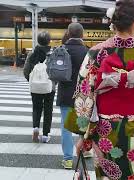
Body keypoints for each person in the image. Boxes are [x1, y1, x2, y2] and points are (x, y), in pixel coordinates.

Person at [73, 0, 134, 179]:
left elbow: (84, 97)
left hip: (105, 131)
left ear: (113, 23)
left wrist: (82, 136)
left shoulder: (95, 53)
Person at [56, 23, 89, 169]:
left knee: (66, 127)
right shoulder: (88, 52)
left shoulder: (61, 49)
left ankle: (68, 159)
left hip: (65, 93)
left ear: (68, 34)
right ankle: (86, 150)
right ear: (82, 35)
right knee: (84, 124)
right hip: (83, 94)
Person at [23, 31, 55, 143]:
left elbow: (26, 70)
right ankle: (45, 135)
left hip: (35, 87)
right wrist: (53, 83)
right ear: (49, 41)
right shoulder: (53, 54)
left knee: (36, 108)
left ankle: (36, 128)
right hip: (49, 87)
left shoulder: (32, 54)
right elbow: (55, 72)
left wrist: (31, 80)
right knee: (48, 110)